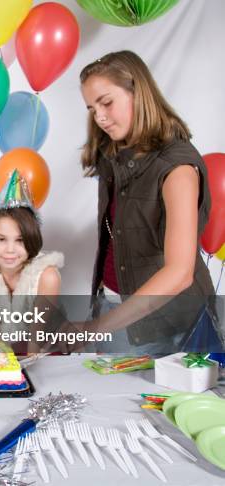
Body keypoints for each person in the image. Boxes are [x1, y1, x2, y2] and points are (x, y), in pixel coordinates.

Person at [77, 50, 215, 354]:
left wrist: (96, 328)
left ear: (137, 92)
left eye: (107, 102)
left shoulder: (177, 168)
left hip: (170, 330)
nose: (99, 117)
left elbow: (179, 273)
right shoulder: (113, 154)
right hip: (113, 310)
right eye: (91, 108)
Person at [0, 169, 63, 352]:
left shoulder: (47, 276)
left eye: (20, 240)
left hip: (47, 350)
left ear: (31, 239)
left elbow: (36, 340)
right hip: (10, 350)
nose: (10, 250)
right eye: (1, 239)